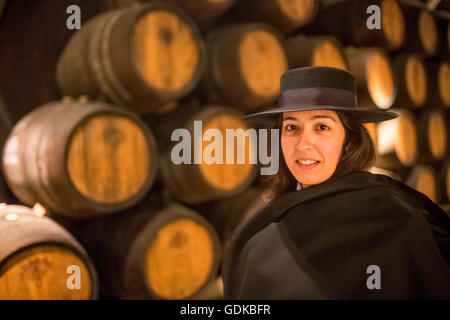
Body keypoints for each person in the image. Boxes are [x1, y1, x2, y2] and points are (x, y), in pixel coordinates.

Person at [221, 66, 450, 299]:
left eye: (322, 127)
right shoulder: (266, 225)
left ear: (349, 139)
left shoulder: (397, 218)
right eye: (292, 127)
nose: (303, 144)